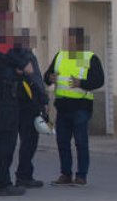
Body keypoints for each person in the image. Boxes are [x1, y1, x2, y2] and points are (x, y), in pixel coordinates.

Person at [45, 27, 105, 186]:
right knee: (62, 142)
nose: (68, 43)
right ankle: (65, 174)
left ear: (79, 41)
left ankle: (81, 175)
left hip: (81, 107)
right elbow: (47, 76)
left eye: (71, 40)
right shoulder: (60, 56)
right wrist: (49, 78)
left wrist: (82, 83)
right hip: (63, 107)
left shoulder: (88, 57)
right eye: (66, 40)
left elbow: (99, 80)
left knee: (81, 142)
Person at [0, 12, 33, 196]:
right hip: (5, 98)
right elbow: (27, 67)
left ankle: (0, 181)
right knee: (5, 141)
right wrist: (20, 66)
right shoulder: (2, 45)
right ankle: (2, 183)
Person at [13, 28, 48, 189]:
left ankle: (22, 174)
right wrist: (43, 100)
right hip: (29, 104)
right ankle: (24, 175)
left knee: (25, 140)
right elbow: (35, 80)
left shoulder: (13, 57)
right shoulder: (26, 57)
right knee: (29, 141)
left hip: (19, 104)